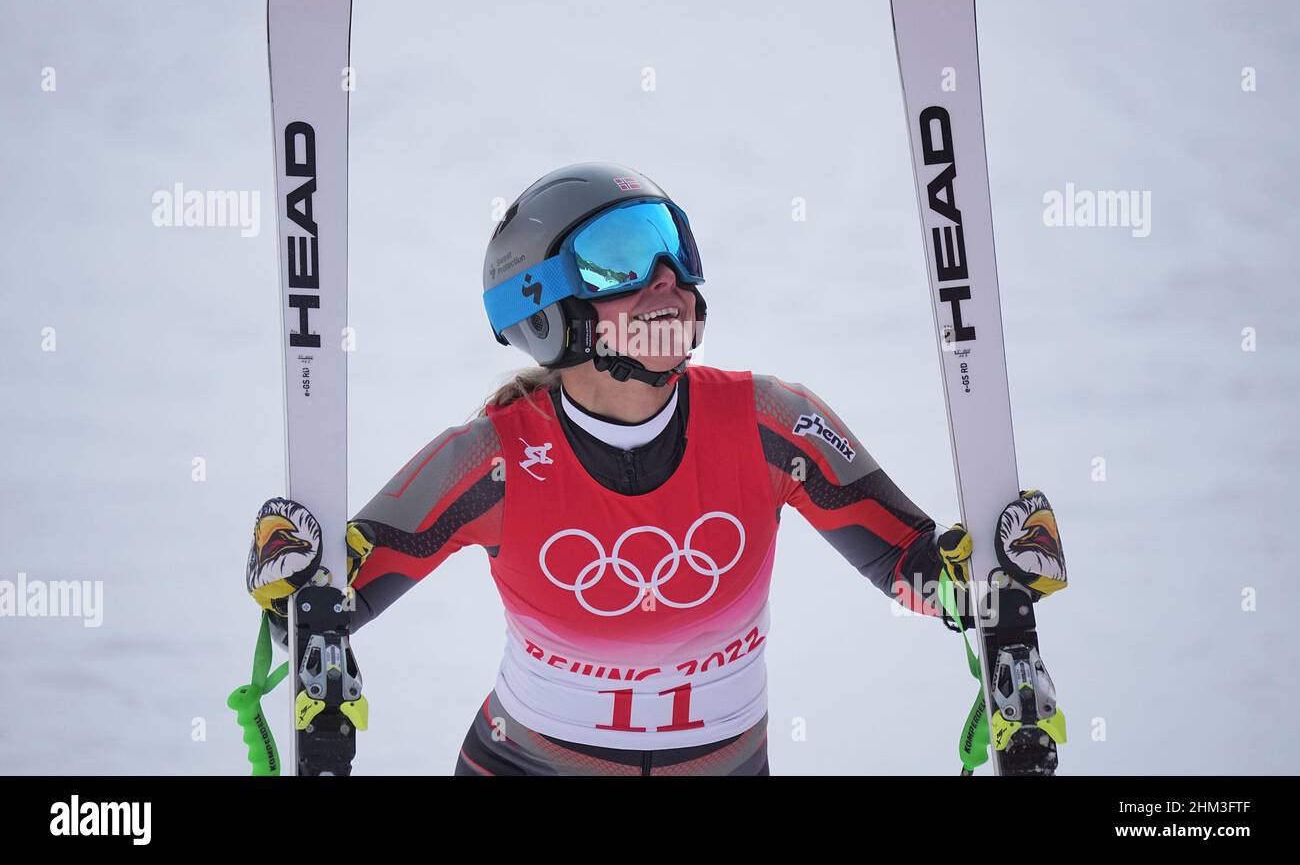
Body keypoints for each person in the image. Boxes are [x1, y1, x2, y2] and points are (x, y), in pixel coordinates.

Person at [245, 161, 1067, 776]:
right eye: (621, 261)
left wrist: (990, 589)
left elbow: (909, 566)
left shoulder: (768, 423)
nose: (666, 283)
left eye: (674, 250)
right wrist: (298, 582)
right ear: (545, 311)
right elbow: (329, 602)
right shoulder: (495, 460)